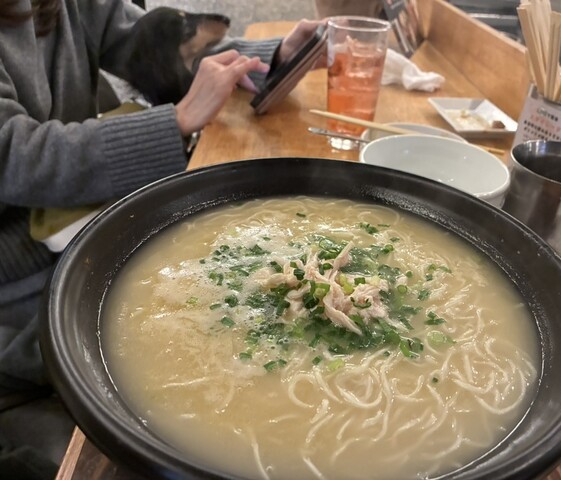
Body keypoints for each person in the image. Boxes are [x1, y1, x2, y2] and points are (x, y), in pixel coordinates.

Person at [0, 0, 321, 476]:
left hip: (78, 207)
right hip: (16, 250)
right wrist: (174, 122)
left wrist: (264, 58)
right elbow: (12, 155)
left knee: (229, 277)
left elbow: (148, 43)